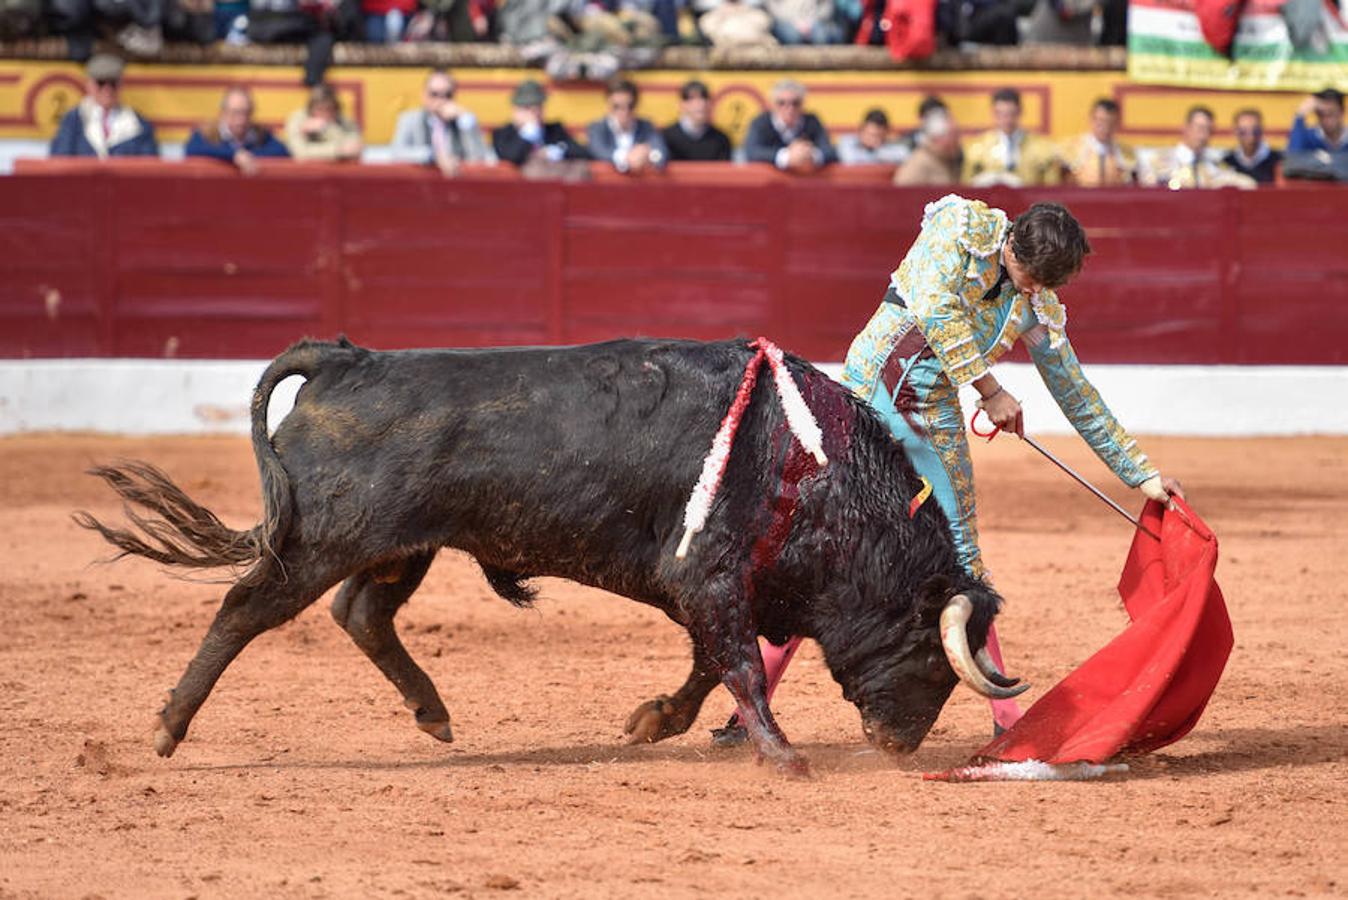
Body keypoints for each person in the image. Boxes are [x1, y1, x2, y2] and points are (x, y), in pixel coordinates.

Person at [712, 194, 1184, 747]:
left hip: (930, 414)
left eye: (1042, 285)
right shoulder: (960, 228)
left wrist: (1140, 474)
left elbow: (1076, 393)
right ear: (1013, 245)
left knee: (961, 556)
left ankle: (1007, 720)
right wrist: (991, 390)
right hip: (861, 400)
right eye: (1031, 278)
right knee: (826, 549)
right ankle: (747, 715)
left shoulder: (1036, 306)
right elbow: (937, 309)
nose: (1033, 291)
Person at [49, 54, 159, 159]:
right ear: (89, 85)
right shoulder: (73, 121)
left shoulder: (139, 125)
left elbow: (149, 166)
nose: (107, 89)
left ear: (120, 85)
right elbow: (59, 161)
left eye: (112, 83)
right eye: (100, 83)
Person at [390, 68, 492, 175]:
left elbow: (478, 157)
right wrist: (433, 156)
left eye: (447, 95)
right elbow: (397, 153)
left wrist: (465, 120)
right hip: (420, 181)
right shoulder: (410, 119)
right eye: (434, 94)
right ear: (423, 95)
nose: (441, 100)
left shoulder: (461, 122)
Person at [963, 87, 1061, 186]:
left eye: (1011, 113)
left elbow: (1052, 188)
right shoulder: (977, 148)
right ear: (993, 113)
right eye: (1000, 114)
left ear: (1020, 111)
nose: (1007, 119)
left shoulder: (1042, 148)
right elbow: (967, 185)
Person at [1140, 105, 1252, 189]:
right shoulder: (1160, 160)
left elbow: (1247, 184)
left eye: (1208, 130)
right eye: (1199, 128)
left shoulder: (1214, 165)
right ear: (1186, 128)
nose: (1203, 135)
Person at [185, 86, 290, 174]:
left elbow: (283, 152)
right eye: (235, 113)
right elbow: (192, 149)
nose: (241, 119)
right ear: (224, 113)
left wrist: (249, 157)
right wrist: (233, 155)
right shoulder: (207, 133)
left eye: (246, 113)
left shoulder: (261, 134)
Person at [742, 79, 837, 173]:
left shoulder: (812, 122)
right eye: (782, 103)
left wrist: (810, 155)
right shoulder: (761, 122)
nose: (789, 108)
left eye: (795, 103)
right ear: (773, 105)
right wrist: (786, 156)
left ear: (802, 104)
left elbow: (829, 151)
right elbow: (751, 152)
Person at [492, 79, 589, 167]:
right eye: (527, 108)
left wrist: (556, 151)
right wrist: (527, 133)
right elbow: (510, 157)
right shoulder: (503, 133)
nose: (534, 113)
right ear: (516, 111)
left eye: (538, 107)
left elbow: (582, 152)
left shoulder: (554, 130)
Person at [586, 78, 669, 174]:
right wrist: (626, 157)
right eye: (617, 106)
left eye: (630, 106)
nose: (624, 112)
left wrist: (648, 154)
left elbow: (660, 153)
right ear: (608, 104)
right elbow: (598, 151)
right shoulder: (597, 128)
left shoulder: (646, 126)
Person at [1061, 97, 1136, 186]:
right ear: (1091, 120)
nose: (1105, 128)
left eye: (1110, 123)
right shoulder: (1071, 147)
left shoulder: (1127, 152)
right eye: (1101, 121)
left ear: (1117, 123)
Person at [284, 83, 363, 162]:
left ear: (337, 109)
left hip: (338, 169)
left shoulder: (346, 122)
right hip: (307, 169)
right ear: (310, 109)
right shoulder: (298, 119)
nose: (325, 114)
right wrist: (337, 150)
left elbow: (354, 149)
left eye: (329, 109)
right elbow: (300, 153)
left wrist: (327, 128)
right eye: (320, 109)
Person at [661, 79, 733, 161]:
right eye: (692, 99)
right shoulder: (666, 138)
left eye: (704, 98)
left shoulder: (721, 140)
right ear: (682, 104)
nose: (700, 104)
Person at [893, 111, 960, 185]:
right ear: (937, 137)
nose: (957, 140)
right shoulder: (920, 161)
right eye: (953, 135)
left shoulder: (950, 159)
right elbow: (902, 188)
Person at [1223, 108, 1281, 184]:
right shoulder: (1227, 162)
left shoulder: (1278, 160)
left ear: (1262, 130)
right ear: (1235, 132)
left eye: (1255, 131)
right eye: (1243, 131)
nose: (1251, 137)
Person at [837, 108, 909, 165]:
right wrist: (878, 156)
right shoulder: (848, 142)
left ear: (885, 134)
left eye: (879, 136)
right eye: (871, 135)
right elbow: (850, 160)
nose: (874, 139)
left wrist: (878, 150)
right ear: (861, 131)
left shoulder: (891, 147)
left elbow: (904, 154)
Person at [1287, 87, 1348, 154]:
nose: (1326, 119)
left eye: (1331, 113)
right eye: (1321, 114)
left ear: (1342, 112)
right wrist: (1300, 115)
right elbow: (1293, 156)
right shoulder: (1309, 138)